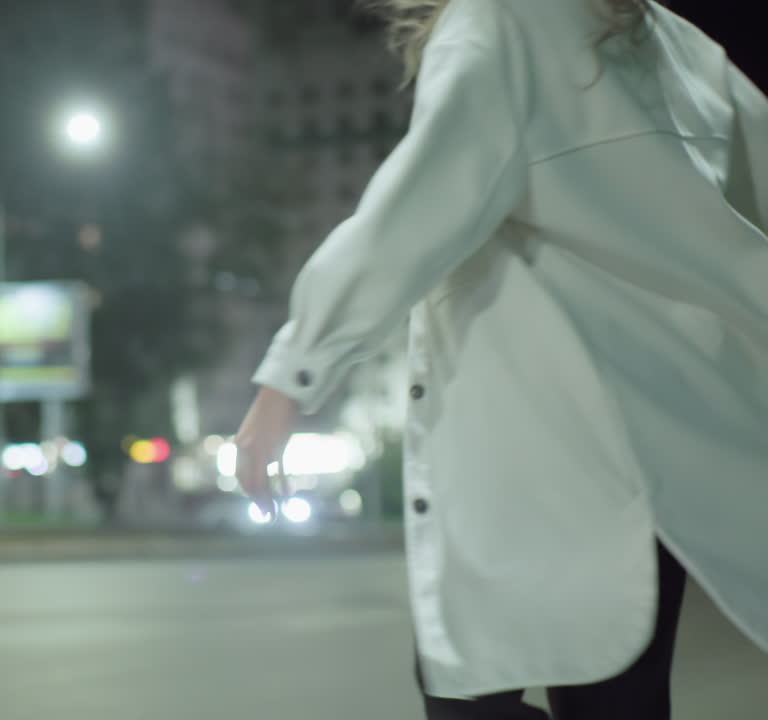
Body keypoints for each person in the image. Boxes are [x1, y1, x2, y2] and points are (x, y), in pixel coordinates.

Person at [233, 0, 768, 717]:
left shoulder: (498, 22)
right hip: (656, 448)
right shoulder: (674, 42)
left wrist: (291, 377)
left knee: (467, 695)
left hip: (536, 453)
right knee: (620, 700)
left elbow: (413, 210)